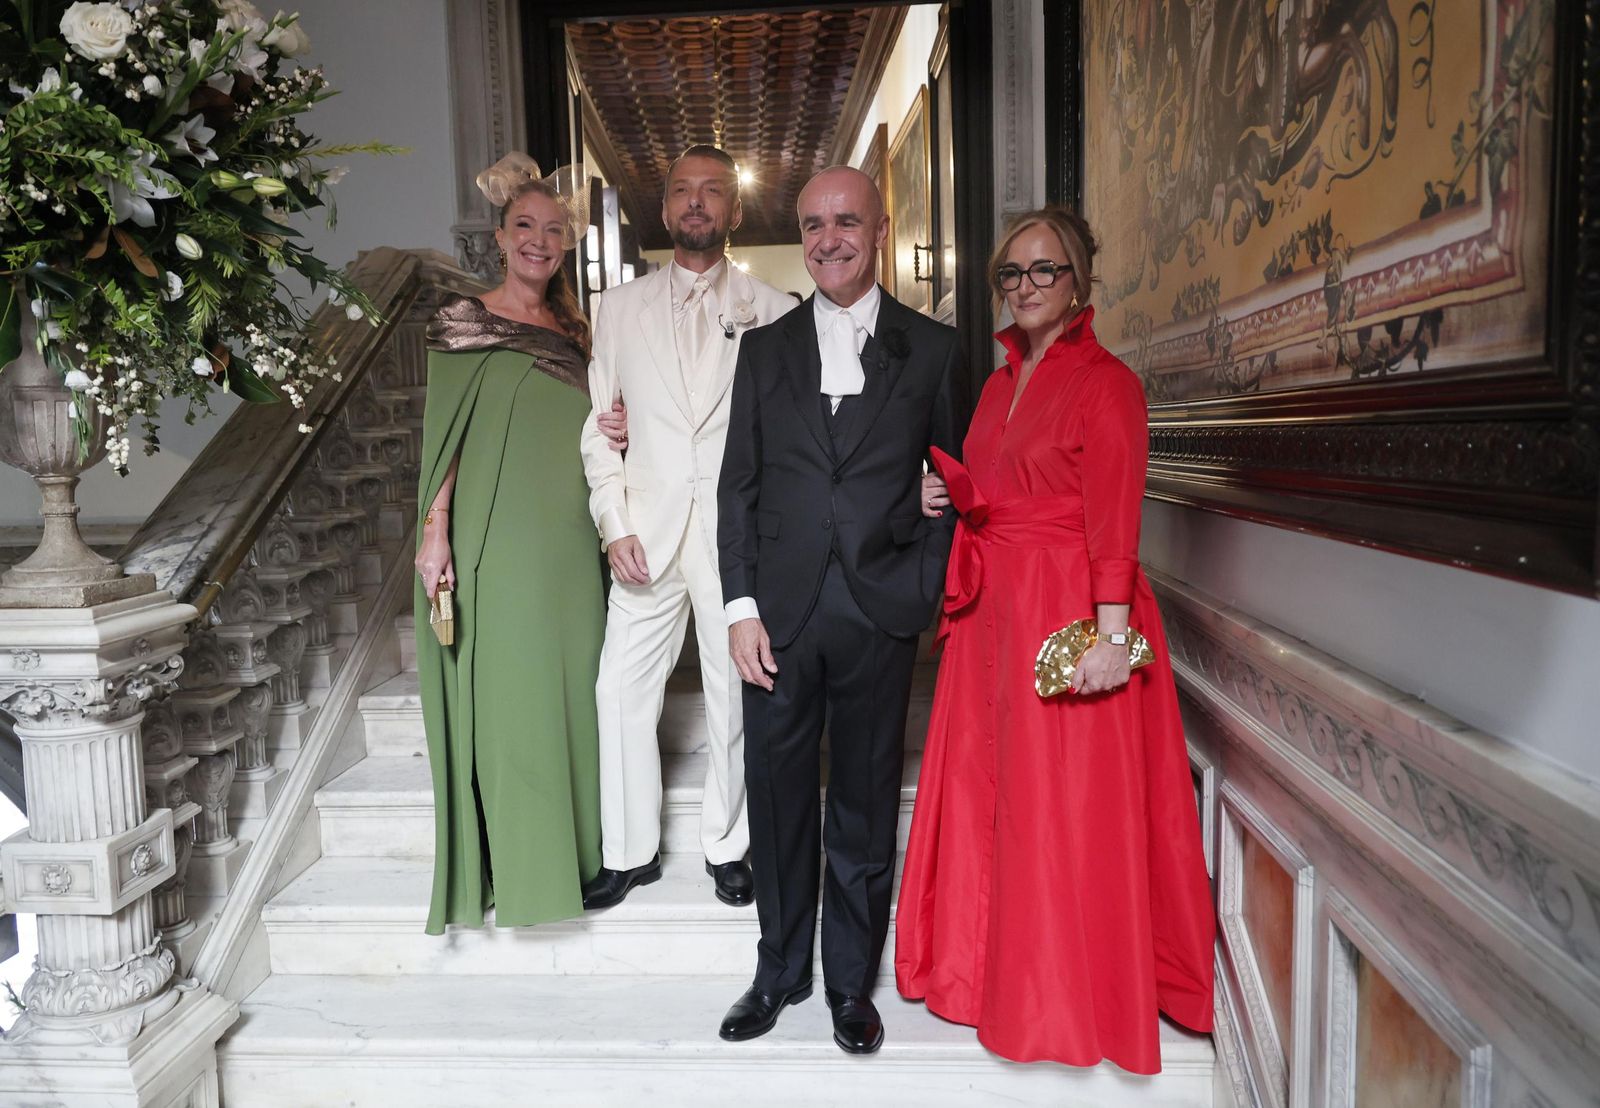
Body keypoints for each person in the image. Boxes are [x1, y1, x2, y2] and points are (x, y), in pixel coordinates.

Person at [895, 206, 1216, 1073]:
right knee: (986, 789)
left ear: (1080, 282)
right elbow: (993, 485)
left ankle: (1055, 991)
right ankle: (974, 970)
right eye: (1012, 273)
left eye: (1045, 271)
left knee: (1058, 803)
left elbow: (1114, 519)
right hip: (992, 609)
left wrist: (1112, 638)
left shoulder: (1108, 382)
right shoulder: (1000, 382)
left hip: (1069, 614)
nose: (1026, 287)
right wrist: (947, 498)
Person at [716, 166, 970, 1054]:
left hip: (879, 607)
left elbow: (954, 477)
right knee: (779, 800)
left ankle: (848, 985)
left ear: (880, 228)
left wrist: (926, 580)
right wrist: (740, 605)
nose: (829, 238)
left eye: (847, 222)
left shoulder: (933, 349)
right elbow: (737, 489)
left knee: (862, 803)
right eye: (814, 224)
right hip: (776, 614)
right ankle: (778, 971)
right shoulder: (761, 350)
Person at [578, 145, 797, 910]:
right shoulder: (617, 308)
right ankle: (628, 850)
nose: (697, 203)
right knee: (617, 689)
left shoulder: (775, 310)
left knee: (735, 692)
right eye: (682, 191)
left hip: (739, 540)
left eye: (714, 192)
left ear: (735, 212)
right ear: (664, 209)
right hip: (645, 529)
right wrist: (613, 525)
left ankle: (727, 845)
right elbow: (600, 430)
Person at [414, 154, 603, 933]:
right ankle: (524, 873)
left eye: (553, 230)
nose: (539, 240)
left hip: (573, 541)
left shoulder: (579, 331)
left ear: (566, 245)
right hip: (501, 539)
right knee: (513, 708)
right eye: (525, 226)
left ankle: (585, 859)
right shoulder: (464, 320)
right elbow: (446, 442)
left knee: (575, 700)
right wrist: (436, 533)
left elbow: (598, 425)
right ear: (500, 236)